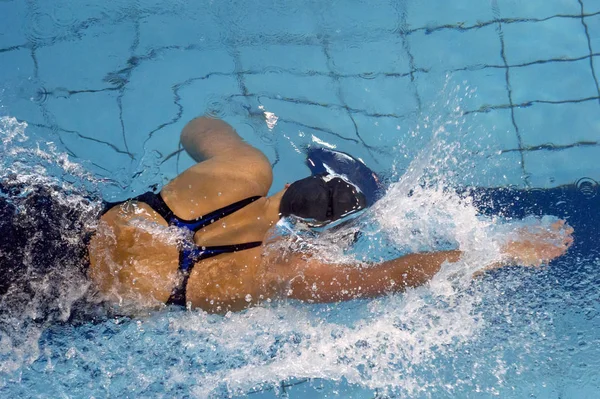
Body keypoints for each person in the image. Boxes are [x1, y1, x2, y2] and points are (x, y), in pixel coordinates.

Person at [87, 117, 574, 313]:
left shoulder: (242, 172)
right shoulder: (282, 271)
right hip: (75, 299)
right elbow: (393, 275)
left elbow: (197, 127)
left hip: (59, 223)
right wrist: (502, 251)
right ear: (324, 233)